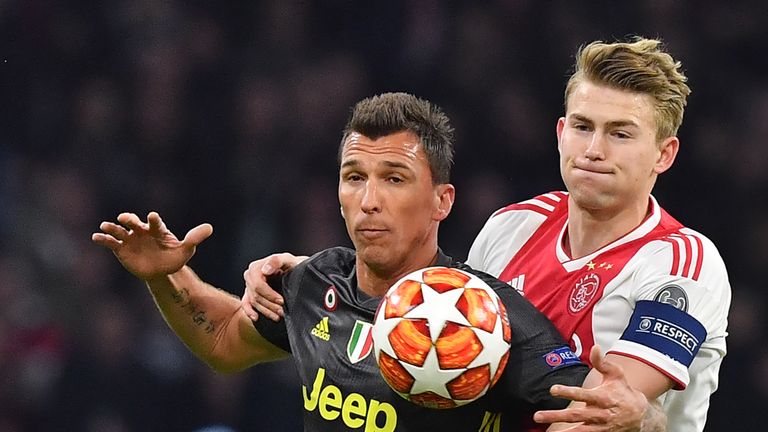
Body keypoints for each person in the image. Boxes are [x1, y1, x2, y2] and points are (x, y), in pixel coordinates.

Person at [244, 37, 730, 431]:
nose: (594, 149)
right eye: (583, 127)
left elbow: (598, 412)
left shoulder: (682, 263)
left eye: (620, 134)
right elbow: (432, 314)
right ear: (561, 132)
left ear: (664, 154)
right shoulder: (513, 226)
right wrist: (313, 277)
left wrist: (646, 422)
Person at [93, 93, 653, 431]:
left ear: (442, 201)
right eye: (354, 177)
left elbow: (601, 414)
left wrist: (639, 418)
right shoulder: (314, 282)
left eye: (394, 179)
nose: (369, 200)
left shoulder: (487, 318)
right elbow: (220, 340)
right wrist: (168, 274)